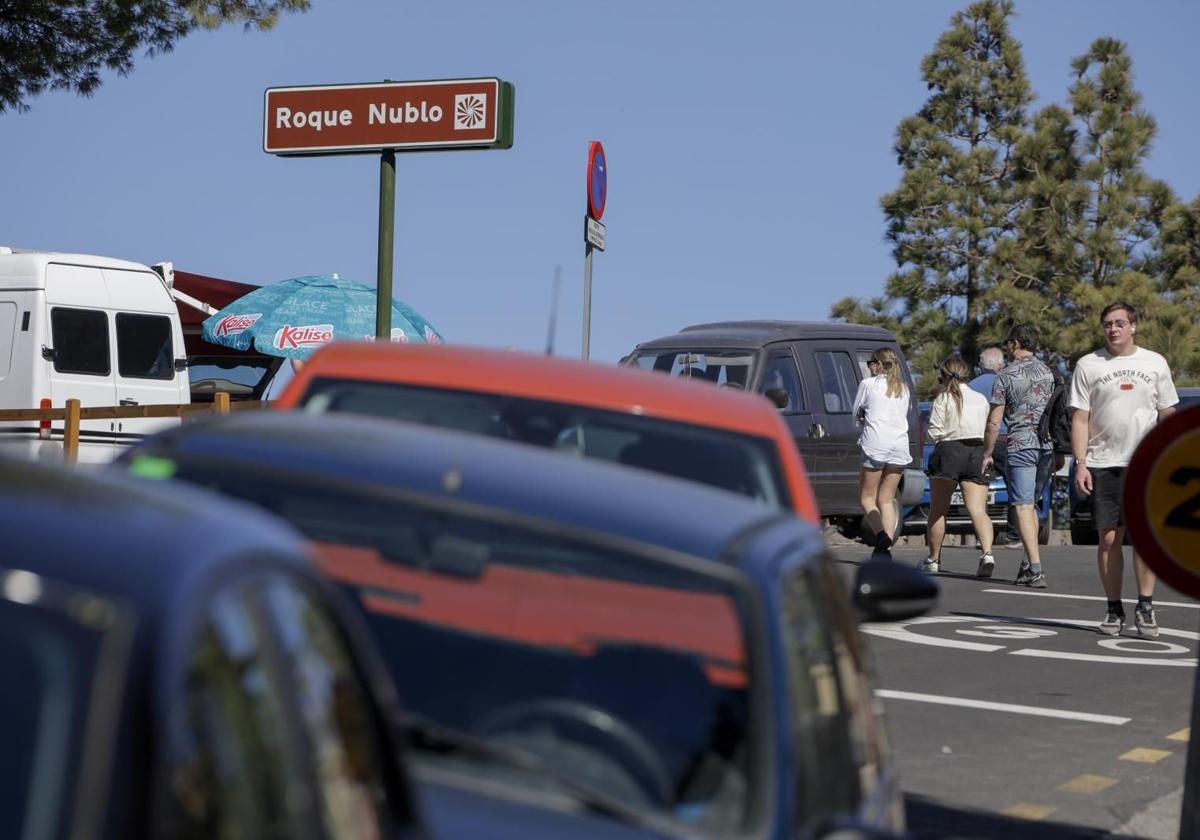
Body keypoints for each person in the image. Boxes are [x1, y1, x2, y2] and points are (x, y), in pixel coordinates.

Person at [1070, 301, 1178, 637]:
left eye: (1119, 323)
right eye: (1107, 324)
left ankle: (1145, 607)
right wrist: (1081, 463)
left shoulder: (1154, 362)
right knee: (1109, 540)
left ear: (1133, 326)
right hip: (1103, 462)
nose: (1113, 329)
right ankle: (1113, 609)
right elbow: (1080, 418)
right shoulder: (1088, 365)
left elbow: (1167, 412)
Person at [981, 325, 1054, 587]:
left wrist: (988, 452)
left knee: (1022, 506)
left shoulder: (1006, 375)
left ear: (1014, 344)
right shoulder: (1049, 372)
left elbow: (994, 421)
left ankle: (1036, 568)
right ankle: (1027, 561)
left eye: (1007, 343)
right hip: (1047, 445)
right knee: (1031, 505)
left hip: (1021, 444)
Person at [920, 356, 995, 577]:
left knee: (938, 510)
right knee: (978, 510)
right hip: (975, 451)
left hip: (949, 451)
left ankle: (934, 559)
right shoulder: (981, 399)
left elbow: (934, 433)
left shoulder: (943, 399)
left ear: (943, 376)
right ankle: (987, 553)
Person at [851, 348, 913, 558]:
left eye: (871, 363)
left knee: (867, 498)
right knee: (886, 500)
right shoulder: (903, 388)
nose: (870, 368)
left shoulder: (868, 385)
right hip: (900, 446)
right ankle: (885, 546)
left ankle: (881, 537)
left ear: (878, 364)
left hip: (875, 445)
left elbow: (857, 414)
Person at [969, 346, 1018, 546]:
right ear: (1000, 365)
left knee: (979, 489)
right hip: (1003, 439)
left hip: (977, 440)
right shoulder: (1005, 382)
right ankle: (1014, 535)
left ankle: (982, 536)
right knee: (1014, 487)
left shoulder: (970, 386)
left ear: (981, 365)